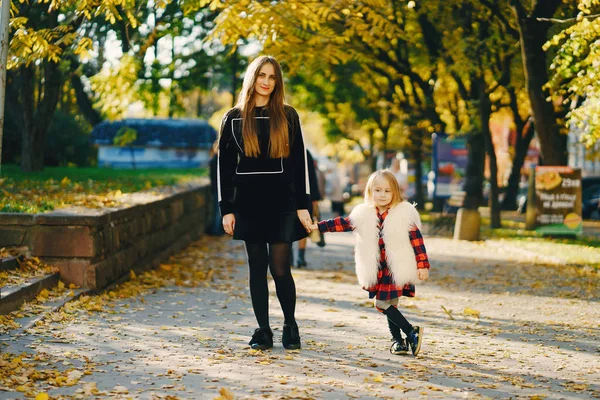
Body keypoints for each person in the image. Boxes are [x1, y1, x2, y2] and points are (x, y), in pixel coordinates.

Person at [217, 55, 312, 351]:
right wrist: (227, 209)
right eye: (262, 75)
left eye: (272, 77)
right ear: (252, 77)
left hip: (282, 201)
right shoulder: (233, 118)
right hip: (248, 202)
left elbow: (299, 164)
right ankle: (263, 330)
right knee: (256, 265)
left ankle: (290, 324)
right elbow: (224, 167)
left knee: (280, 267)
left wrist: (303, 205)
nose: (266, 82)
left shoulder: (288, 115)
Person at [310, 170, 430, 356]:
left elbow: (417, 241)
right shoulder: (363, 214)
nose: (382, 195)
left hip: (395, 268)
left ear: (395, 192)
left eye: (387, 191)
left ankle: (410, 332)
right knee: (391, 305)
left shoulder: (403, 214)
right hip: (377, 269)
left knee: (382, 304)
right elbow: (341, 223)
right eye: (378, 190)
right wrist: (319, 226)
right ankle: (399, 342)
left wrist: (422, 265)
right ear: (370, 191)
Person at [295, 150, 324, 268]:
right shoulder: (305, 152)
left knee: (300, 226)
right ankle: (300, 257)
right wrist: (315, 198)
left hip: (292, 195)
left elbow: (311, 176)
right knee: (304, 226)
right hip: (305, 195)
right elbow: (311, 176)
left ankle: (291, 257)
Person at [208, 140, 225, 236]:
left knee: (217, 211)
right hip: (218, 190)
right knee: (217, 212)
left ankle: (217, 229)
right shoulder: (217, 160)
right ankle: (216, 230)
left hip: (217, 189)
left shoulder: (214, 160)